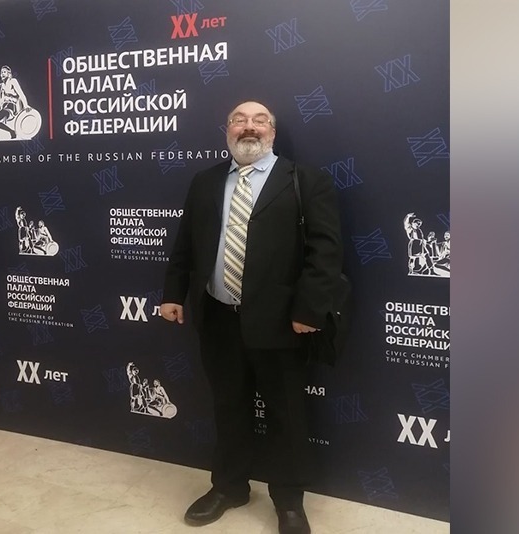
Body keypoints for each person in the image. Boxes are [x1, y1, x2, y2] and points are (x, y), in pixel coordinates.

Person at [160, 101, 343, 534]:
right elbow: (185, 244)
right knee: (228, 407)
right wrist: (172, 294)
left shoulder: (305, 180)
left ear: (272, 133)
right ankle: (229, 488)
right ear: (226, 131)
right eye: (239, 120)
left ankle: (289, 501)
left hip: (281, 322)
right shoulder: (205, 181)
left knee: (286, 413)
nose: (249, 127)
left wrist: (308, 310)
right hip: (218, 317)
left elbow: (326, 252)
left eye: (260, 121)